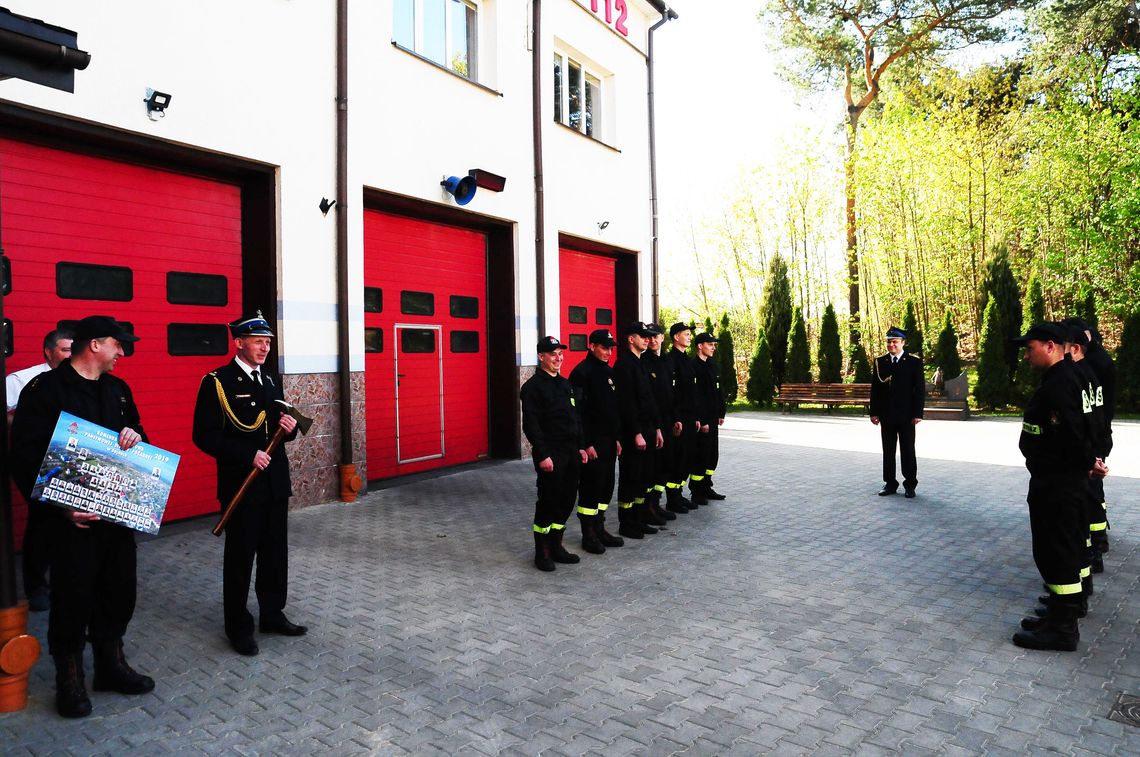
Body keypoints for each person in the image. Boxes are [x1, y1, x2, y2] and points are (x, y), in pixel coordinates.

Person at [10, 316, 153, 718]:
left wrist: (135, 437)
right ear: (95, 345)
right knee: (73, 597)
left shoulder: (118, 390)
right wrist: (60, 507)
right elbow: (24, 455)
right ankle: (68, 679)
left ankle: (111, 667)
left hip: (116, 518)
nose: (122, 353)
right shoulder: (45, 390)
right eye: (117, 345)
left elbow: (139, 436)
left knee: (118, 591)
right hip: (69, 522)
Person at [192, 312, 303, 657]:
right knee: (240, 556)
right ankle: (237, 626)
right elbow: (204, 436)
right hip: (242, 483)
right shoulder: (217, 382)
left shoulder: (270, 380)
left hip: (273, 482)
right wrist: (247, 455)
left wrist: (291, 426)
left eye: (268, 342)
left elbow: (280, 429)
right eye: (258, 341)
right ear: (238, 342)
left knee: (274, 553)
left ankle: (272, 613)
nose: (264, 348)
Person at [1012, 322, 1106, 651]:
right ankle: (1060, 612)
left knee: (1057, 550)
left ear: (1050, 346)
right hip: (1065, 477)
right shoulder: (1066, 376)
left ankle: (1062, 629)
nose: (1026, 354)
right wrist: (1090, 461)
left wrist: (1085, 462)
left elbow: (1071, 432)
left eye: (1030, 347)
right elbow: (1086, 426)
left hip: (1058, 482)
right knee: (1067, 547)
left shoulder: (1062, 382)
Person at [7, 328, 73, 612]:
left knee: (70, 520)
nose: (70, 356)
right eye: (64, 350)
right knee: (43, 518)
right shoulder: (21, 379)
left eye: (73, 350)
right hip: (33, 459)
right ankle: (36, 587)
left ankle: (68, 581)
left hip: (68, 461)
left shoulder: (79, 382)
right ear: (48, 351)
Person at [520, 336, 588, 570]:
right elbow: (531, 425)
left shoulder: (565, 384)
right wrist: (543, 454)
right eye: (553, 354)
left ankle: (557, 545)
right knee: (548, 501)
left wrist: (580, 446)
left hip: (570, 451)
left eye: (560, 354)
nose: (558, 358)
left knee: (567, 499)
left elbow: (575, 418)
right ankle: (543, 551)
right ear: (541, 357)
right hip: (551, 454)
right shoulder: (532, 388)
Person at [568, 329, 624, 554]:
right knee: (591, 488)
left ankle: (600, 528)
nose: (608, 352)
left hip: (609, 441)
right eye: (604, 347)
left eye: (610, 348)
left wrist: (618, 438)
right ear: (591, 346)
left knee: (606, 486)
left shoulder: (608, 373)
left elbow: (613, 410)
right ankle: (588, 534)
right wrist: (586, 443)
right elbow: (578, 413)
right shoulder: (581, 373)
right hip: (593, 443)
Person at [613, 321, 663, 539]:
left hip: (649, 428)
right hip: (635, 432)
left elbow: (650, 400)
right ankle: (627, 522)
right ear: (630, 339)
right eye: (642, 336)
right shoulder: (624, 365)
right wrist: (636, 432)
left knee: (644, 476)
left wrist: (658, 428)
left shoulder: (641, 363)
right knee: (631, 477)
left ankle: (639, 518)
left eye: (648, 336)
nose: (646, 339)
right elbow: (627, 403)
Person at [870, 327, 925, 498]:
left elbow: (920, 389)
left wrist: (918, 413)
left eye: (895, 341)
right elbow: (875, 390)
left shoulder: (914, 362)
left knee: (908, 449)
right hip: (886, 414)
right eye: (889, 341)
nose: (891, 344)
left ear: (903, 343)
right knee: (888, 449)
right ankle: (890, 483)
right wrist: (874, 412)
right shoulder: (880, 361)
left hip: (907, 415)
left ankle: (910, 484)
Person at [641, 325, 676, 526]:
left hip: (668, 420)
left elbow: (673, 391)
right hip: (653, 422)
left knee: (665, 465)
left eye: (656, 337)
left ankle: (656, 504)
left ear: (663, 338)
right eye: (649, 337)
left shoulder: (667, 361)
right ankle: (648, 508)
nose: (653, 340)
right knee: (652, 467)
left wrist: (676, 418)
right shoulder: (644, 362)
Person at [665, 323, 700, 513]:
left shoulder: (686, 359)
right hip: (679, 418)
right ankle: (672, 498)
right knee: (677, 458)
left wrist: (694, 416)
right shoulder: (672, 360)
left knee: (686, 457)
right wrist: (676, 418)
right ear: (676, 337)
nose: (690, 337)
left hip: (689, 416)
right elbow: (672, 393)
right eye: (686, 334)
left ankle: (679, 492)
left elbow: (691, 392)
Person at [689, 332, 727, 505]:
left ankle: (707, 486)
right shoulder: (694, 366)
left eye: (714, 344)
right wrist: (701, 420)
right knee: (700, 455)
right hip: (703, 420)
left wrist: (721, 412)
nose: (713, 347)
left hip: (713, 417)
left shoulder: (712, 365)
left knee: (712, 454)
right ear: (700, 346)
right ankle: (697, 491)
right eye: (710, 344)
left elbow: (718, 391)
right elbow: (696, 397)